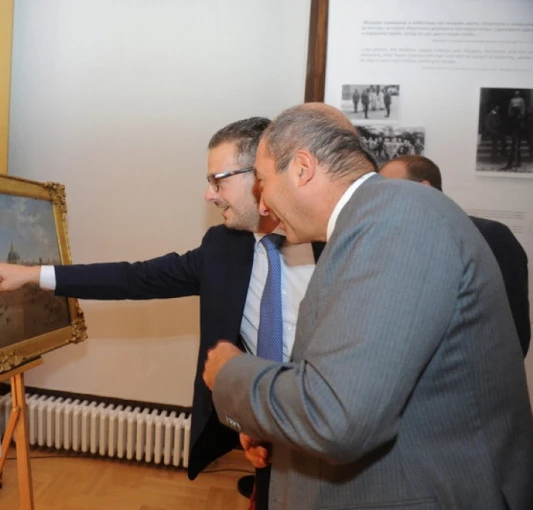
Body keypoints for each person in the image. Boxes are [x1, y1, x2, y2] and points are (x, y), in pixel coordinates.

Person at [0, 117, 323, 510]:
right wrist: (33, 275)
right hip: (265, 438)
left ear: (260, 175)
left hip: (331, 440)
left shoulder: (331, 244)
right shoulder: (222, 248)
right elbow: (134, 278)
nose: (209, 195)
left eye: (218, 180)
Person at [203, 103, 533, 509]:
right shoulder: (367, 225)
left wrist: (231, 374)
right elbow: (349, 381)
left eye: (262, 182)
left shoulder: (396, 220)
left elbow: (338, 418)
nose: (264, 205)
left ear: (302, 168)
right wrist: (280, 431)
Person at [378, 154, 530, 356]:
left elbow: (514, 330)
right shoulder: (391, 245)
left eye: (390, 191)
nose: (381, 201)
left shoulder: (490, 237)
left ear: (425, 189)